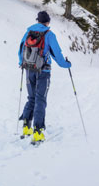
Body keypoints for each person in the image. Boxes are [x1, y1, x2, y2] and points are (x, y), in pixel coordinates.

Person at [18, 11, 72, 144]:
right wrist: (66, 64)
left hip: (29, 69)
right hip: (44, 71)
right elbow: (57, 54)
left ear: (38, 21)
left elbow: (21, 50)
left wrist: (21, 63)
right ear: (47, 22)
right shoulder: (49, 35)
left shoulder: (28, 32)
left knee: (31, 97)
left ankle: (26, 127)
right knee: (40, 100)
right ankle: (37, 132)